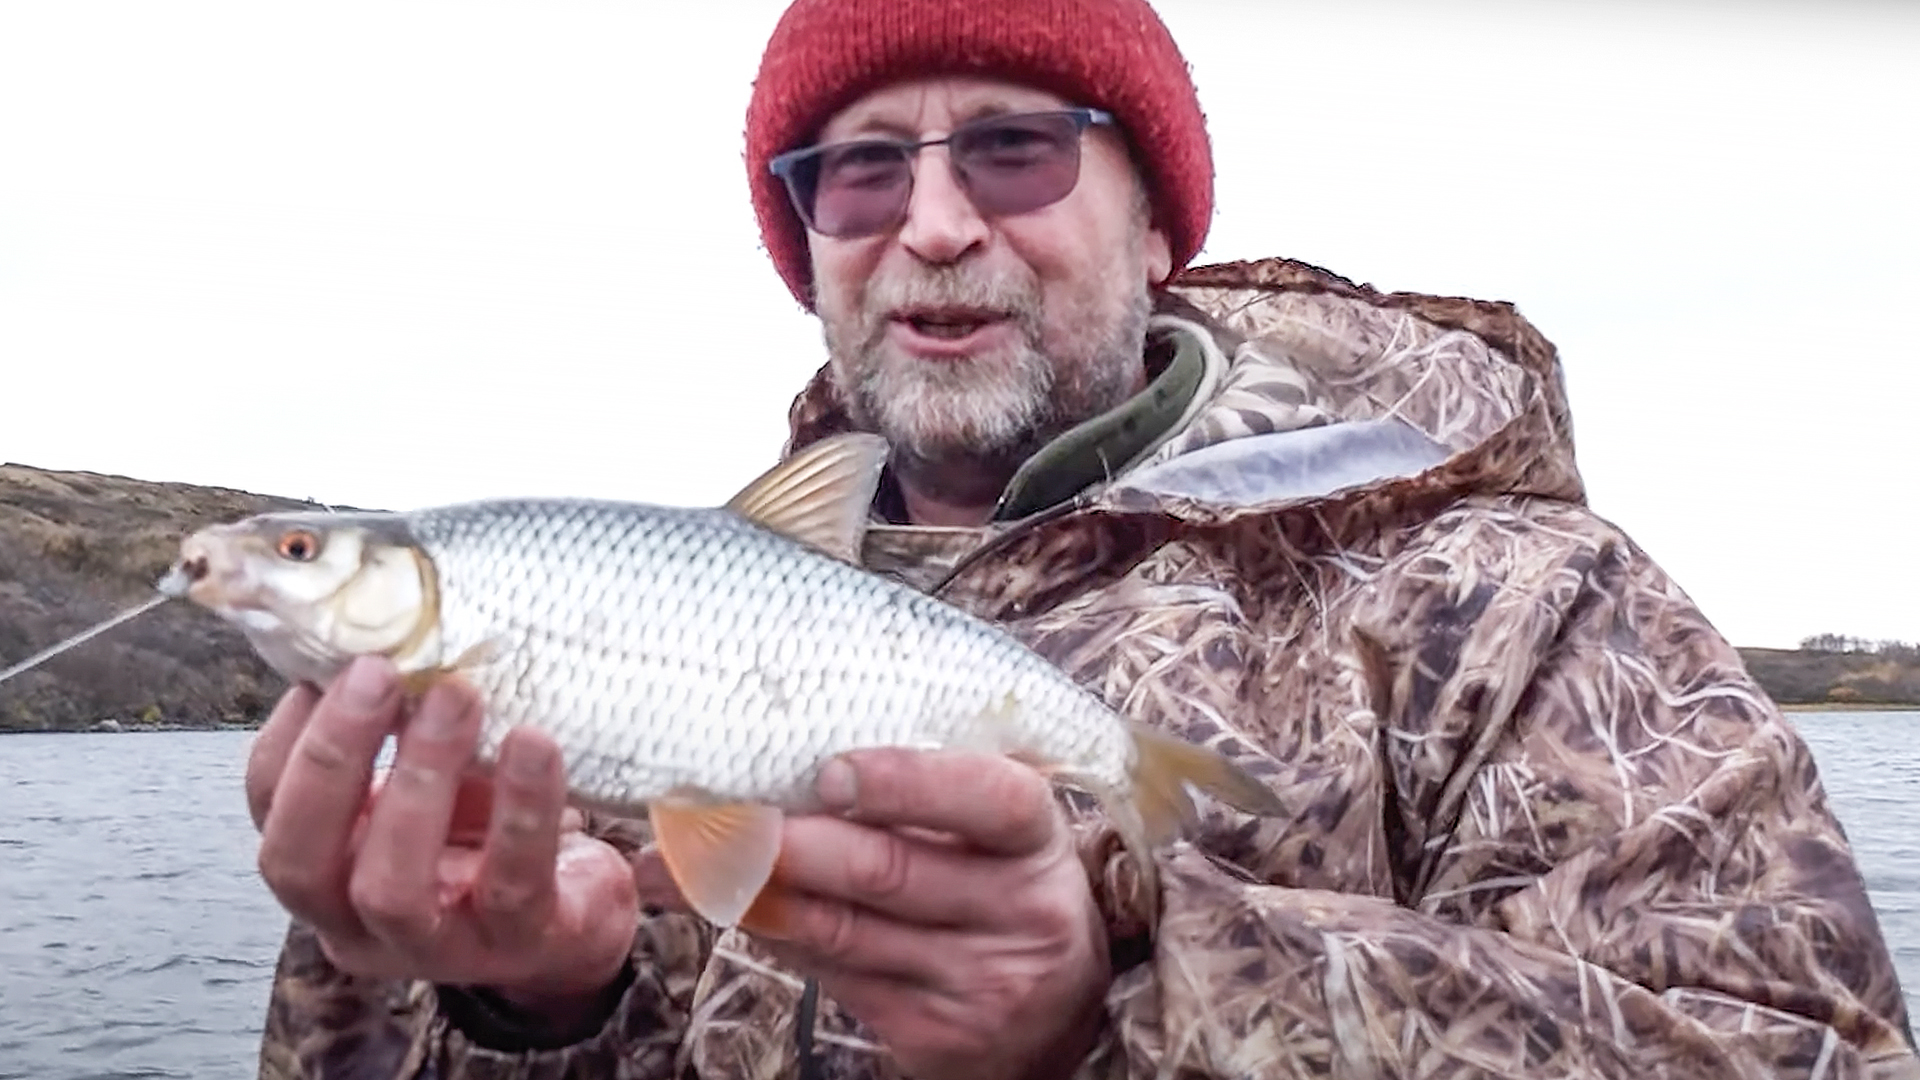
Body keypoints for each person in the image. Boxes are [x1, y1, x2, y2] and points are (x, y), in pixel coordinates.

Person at [243, 0, 1919, 1077]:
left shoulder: (1524, 610)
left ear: (1158, 218)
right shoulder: (660, 624)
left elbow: (1805, 1055)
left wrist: (1119, 1014)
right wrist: (530, 1005)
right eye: (861, 174)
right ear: (811, 241)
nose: (941, 223)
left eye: (1019, 147)